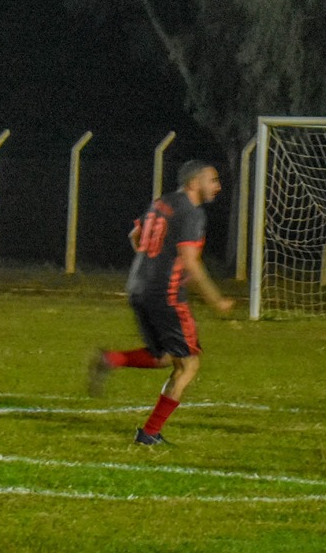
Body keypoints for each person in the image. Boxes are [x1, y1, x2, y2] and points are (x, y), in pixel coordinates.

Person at [88, 160, 236, 445]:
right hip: (165, 295)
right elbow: (191, 263)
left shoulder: (162, 203)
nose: (217, 187)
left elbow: (135, 236)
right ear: (194, 183)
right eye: (213, 180)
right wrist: (216, 301)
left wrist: (154, 263)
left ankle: (112, 359)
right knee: (188, 365)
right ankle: (150, 433)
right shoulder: (191, 213)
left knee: (164, 357)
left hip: (138, 287)